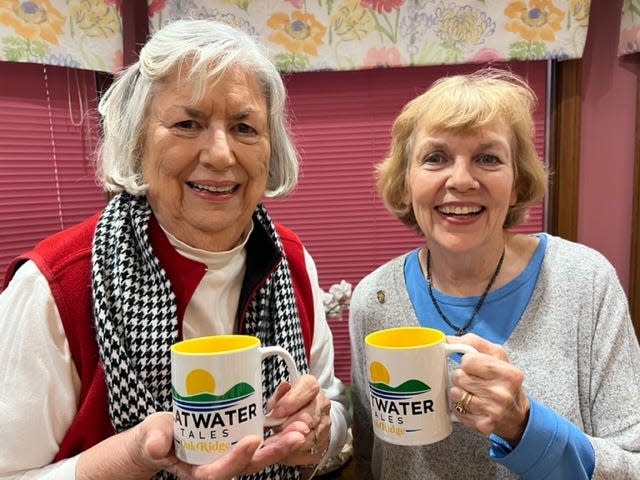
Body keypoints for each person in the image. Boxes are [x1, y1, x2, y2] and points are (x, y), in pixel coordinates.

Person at [0, 19, 349, 480]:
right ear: (137, 141)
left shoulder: (291, 262)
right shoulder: (56, 286)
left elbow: (333, 412)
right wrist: (131, 458)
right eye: (188, 123)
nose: (221, 154)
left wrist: (320, 431)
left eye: (245, 127)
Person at [349, 68, 640, 479]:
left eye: (487, 158)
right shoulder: (373, 299)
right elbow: (371, 460)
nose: (462, 180)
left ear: (518, 183)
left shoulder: (585, 282)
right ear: (404, 184)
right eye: (436, 158)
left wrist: (525, 427)